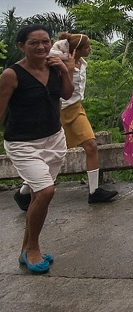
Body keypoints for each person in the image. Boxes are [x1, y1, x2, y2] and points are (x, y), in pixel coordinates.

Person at [0, 25, 74, 272]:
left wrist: (66, 70)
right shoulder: (11, 75)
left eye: (45, 41)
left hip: (54, 139)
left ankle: (25, 250)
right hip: (23, 144)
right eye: (34, 43)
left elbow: (67, 94)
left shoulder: (54, 67)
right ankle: (33, 248)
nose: (42, 47)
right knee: (45, 192)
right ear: (21, 46)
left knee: (37, 196)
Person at [14, 32, 118, 209]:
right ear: (76, 49)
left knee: (91, 145)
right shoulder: (54, 61)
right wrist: (66, 68)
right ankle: (24, 192)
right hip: (58, 111)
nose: (90, 50)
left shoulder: (81, 62)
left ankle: (94, 191)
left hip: (76, 108)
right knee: (49, 156)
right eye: (87, 47)